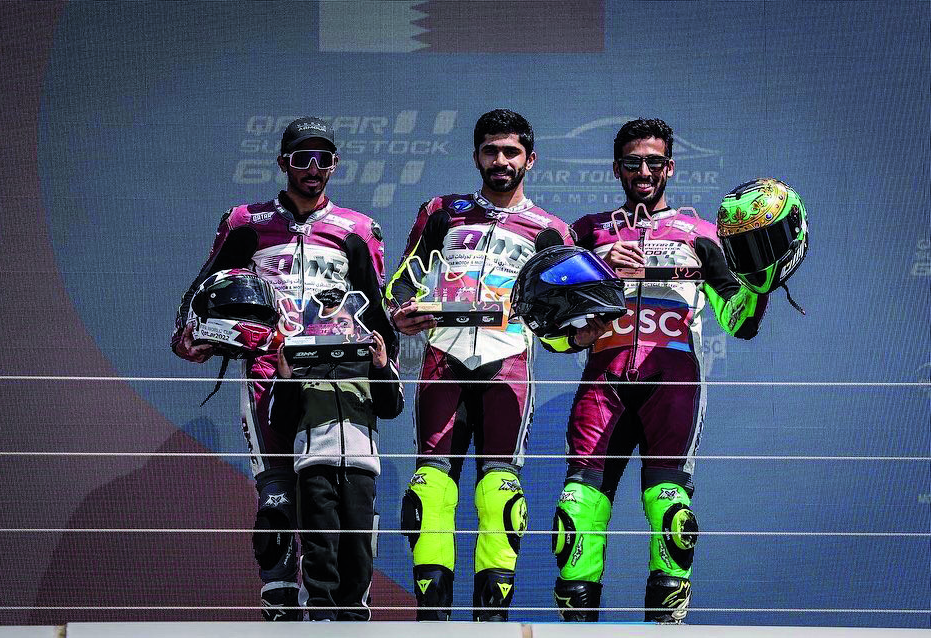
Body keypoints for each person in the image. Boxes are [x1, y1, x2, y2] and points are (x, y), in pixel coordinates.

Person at [171, 117, 399, 620]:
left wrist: (387, 374)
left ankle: (347, 610)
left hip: (337, 380)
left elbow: (377, 311)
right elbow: (203, 289)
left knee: (342, 499)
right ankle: (279, 609)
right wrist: (191, 336)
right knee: (276, 500)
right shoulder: (245, 222)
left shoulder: (358, 230)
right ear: (283, 163)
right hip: (267, 375)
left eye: (323, 158)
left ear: (335, 165)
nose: (312, 168)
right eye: (301, 158)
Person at [545, 119, 769, 623]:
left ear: (669, 167)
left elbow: (740, 322)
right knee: (576, 511)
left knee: (671, 514)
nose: (643, 171)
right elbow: (552, 327)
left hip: (672, 380)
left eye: (653, 162)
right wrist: (599, 263)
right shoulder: (585, 231)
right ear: (617, 168)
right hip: (603, 379)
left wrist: (760, 284)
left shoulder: (702, 233)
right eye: (632, 162)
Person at [385, 109, 575, 621]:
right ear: (475, 156)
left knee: (501, 498)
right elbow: (404, 277)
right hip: (442, 361)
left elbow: (568, 312)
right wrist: (402, 308)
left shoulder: (549, 229)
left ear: (530, 160)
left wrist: (571, 331)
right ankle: (433, 623)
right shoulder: (442, 211)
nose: (500, 160)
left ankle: (491, 625)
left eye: (511, 152)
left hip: (507, 366)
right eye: (490, 151)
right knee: (430, 496)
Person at [272, 287, 403, 621]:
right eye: (328, 323)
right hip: (315, 466)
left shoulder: (367, 362)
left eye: (344, 321)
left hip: (360, 468)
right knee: (320, 547)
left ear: (355, 324)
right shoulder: (301, 365)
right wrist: (285, 375)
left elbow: (392, 407)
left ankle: (355, 617)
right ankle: (318, 616)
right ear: (315, 327)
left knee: (359, 549)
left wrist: (382, 366)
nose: (337, 328)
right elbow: (279, 419)